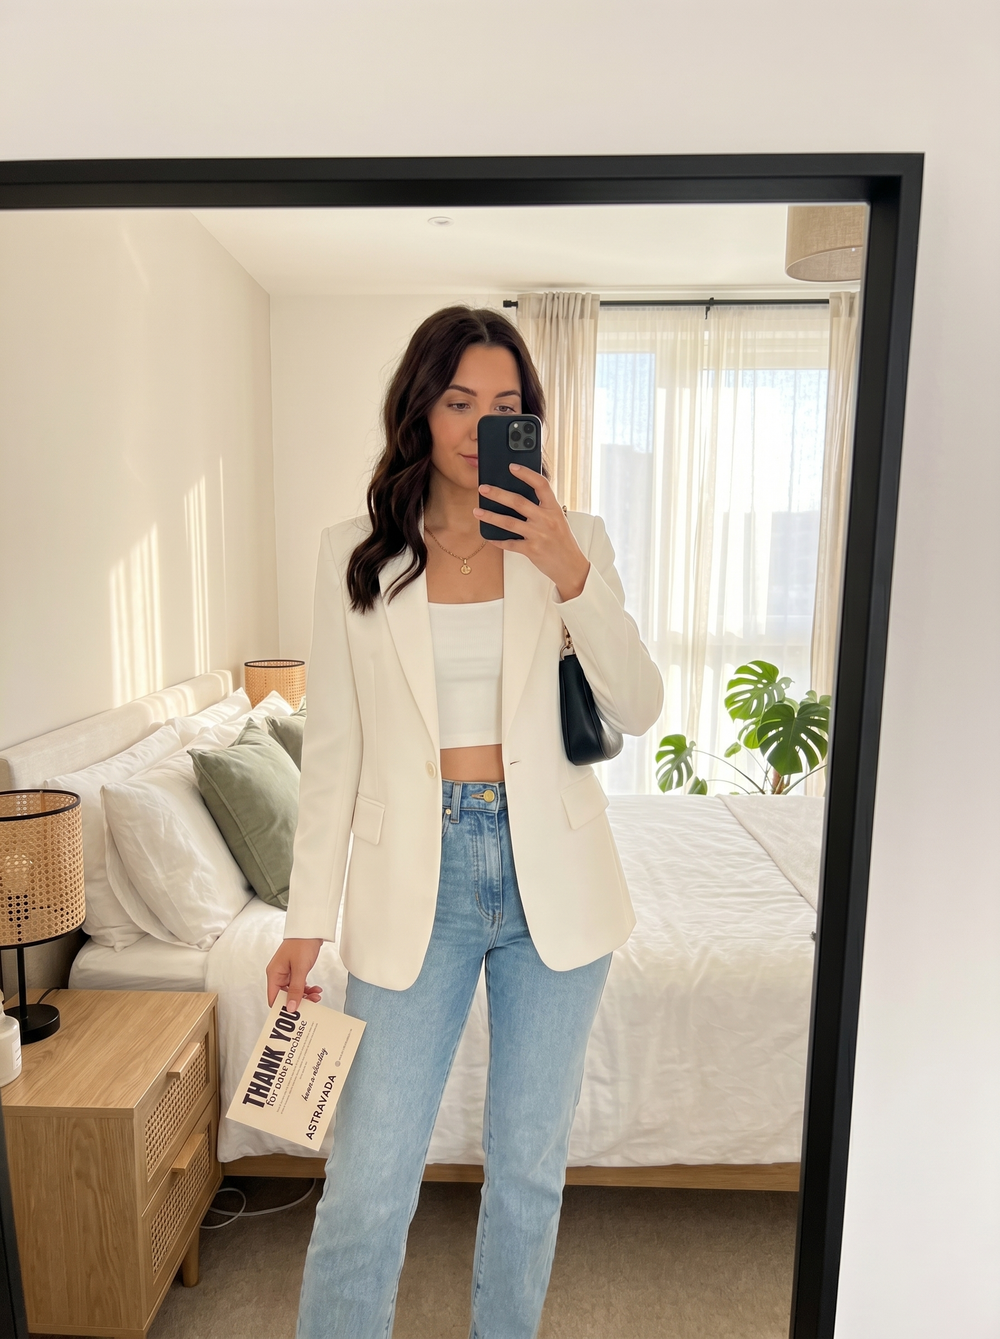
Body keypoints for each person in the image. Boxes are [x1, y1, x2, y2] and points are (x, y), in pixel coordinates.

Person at [266, 305, 663, 1339]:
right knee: (368, 1182)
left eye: (505, 405)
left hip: (555, 881)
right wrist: (305, 922)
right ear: (420, 408)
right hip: (417, 880)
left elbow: (638, 705)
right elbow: (334, 754)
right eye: (458, 401)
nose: (480, 425)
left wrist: (568, 568)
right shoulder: (355, 554)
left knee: (528, 1171)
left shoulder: (573, 540)